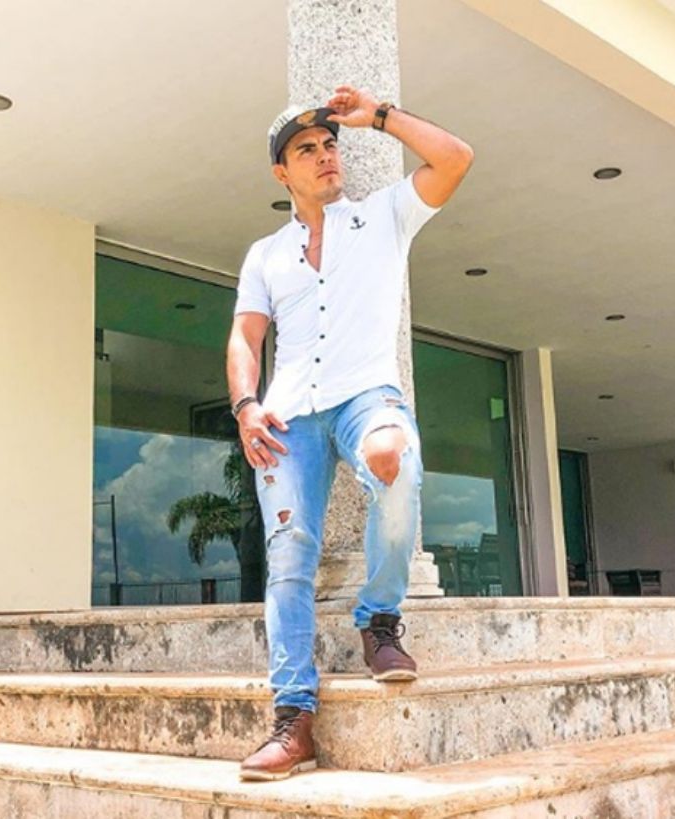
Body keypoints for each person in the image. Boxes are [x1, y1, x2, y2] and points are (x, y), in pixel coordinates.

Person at [225, 85, 473, 781]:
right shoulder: (266, 254)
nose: (326, 154)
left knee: (395, 460)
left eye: (331, 144)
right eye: (307, 149)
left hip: (367, 394)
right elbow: (245, 337)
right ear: (282, 172)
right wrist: (245, 404)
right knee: (288, 554)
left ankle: (379, 619)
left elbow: (456, 158)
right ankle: (293, 719)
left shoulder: (382, 216)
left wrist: (381, 118)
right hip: (288, 413)